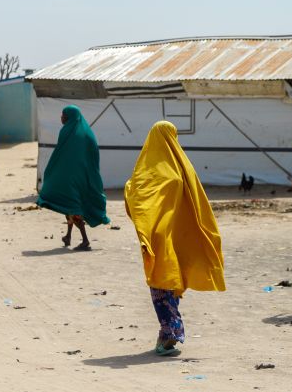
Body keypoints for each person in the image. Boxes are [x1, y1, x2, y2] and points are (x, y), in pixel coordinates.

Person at [124, 121, 225, 356]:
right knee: (170, 282)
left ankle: (170, 331)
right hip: (177, 238)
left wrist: (131, 193)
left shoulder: (146, 170)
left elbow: (135, 196)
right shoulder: (182, 169)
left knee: (159, 283)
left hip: (157, 238)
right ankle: (168, 332)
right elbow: (198, 204)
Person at [36, 105, 110, 250]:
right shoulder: (88, 133)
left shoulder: (68, 131)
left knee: (72, 206)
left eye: (64, 115)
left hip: (72, 177)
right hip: (82, 176)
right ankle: (68, 236)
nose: (61, 118)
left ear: (70, 117)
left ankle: (85, 241)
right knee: (68, 205)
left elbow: (61, 154)